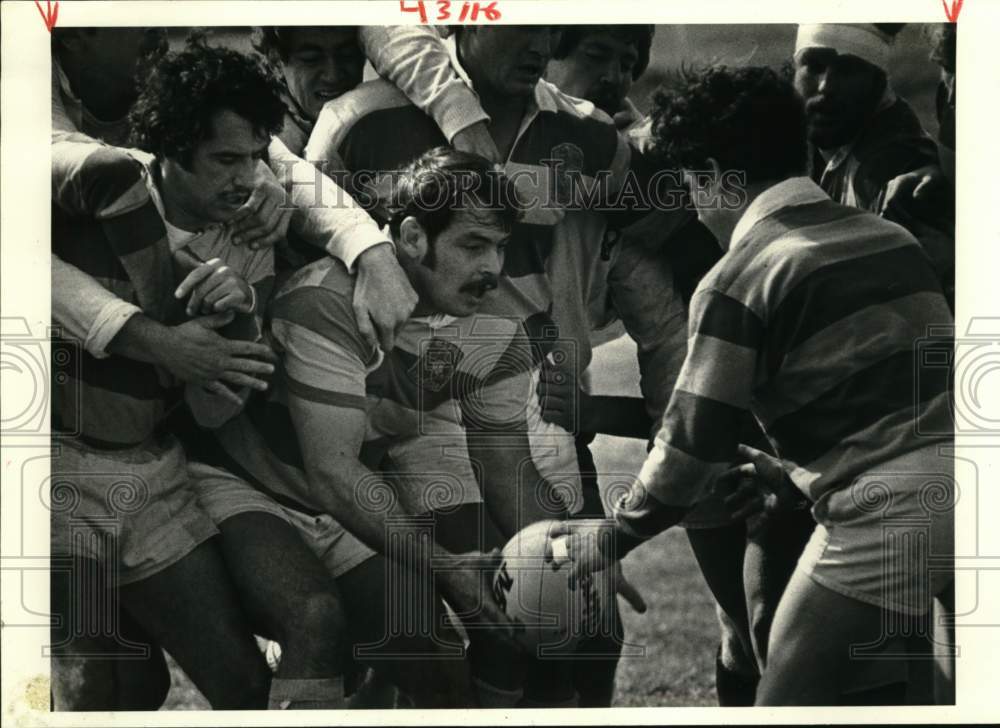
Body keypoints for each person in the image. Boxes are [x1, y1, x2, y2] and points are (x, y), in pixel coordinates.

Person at [551, 64, 954, 706]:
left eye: (689, 185)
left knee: (781, 701)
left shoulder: (737, 276)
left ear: (712, 175)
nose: (692, 204)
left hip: (880, 510)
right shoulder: (890, 237)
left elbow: (690, 450)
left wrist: (611, 536)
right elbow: (894, 404)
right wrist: (782, 469)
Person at [191, 148, 533, 708]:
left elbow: (507, 473)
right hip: (242, 485)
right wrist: (445, 568)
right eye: (474, 245)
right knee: (315, 621)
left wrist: (577, 552)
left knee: (435, 661)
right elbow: (331, 473)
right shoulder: (326, 298)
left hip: (338, 505)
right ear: (415, 236)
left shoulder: (494, 335)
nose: (493, 269)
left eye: (500, 247)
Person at [792, 23, 954, 307]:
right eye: (814, 66)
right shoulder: (823, 135)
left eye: (848, 70)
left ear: (879, 81)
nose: (826, 86)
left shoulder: (893, 174)